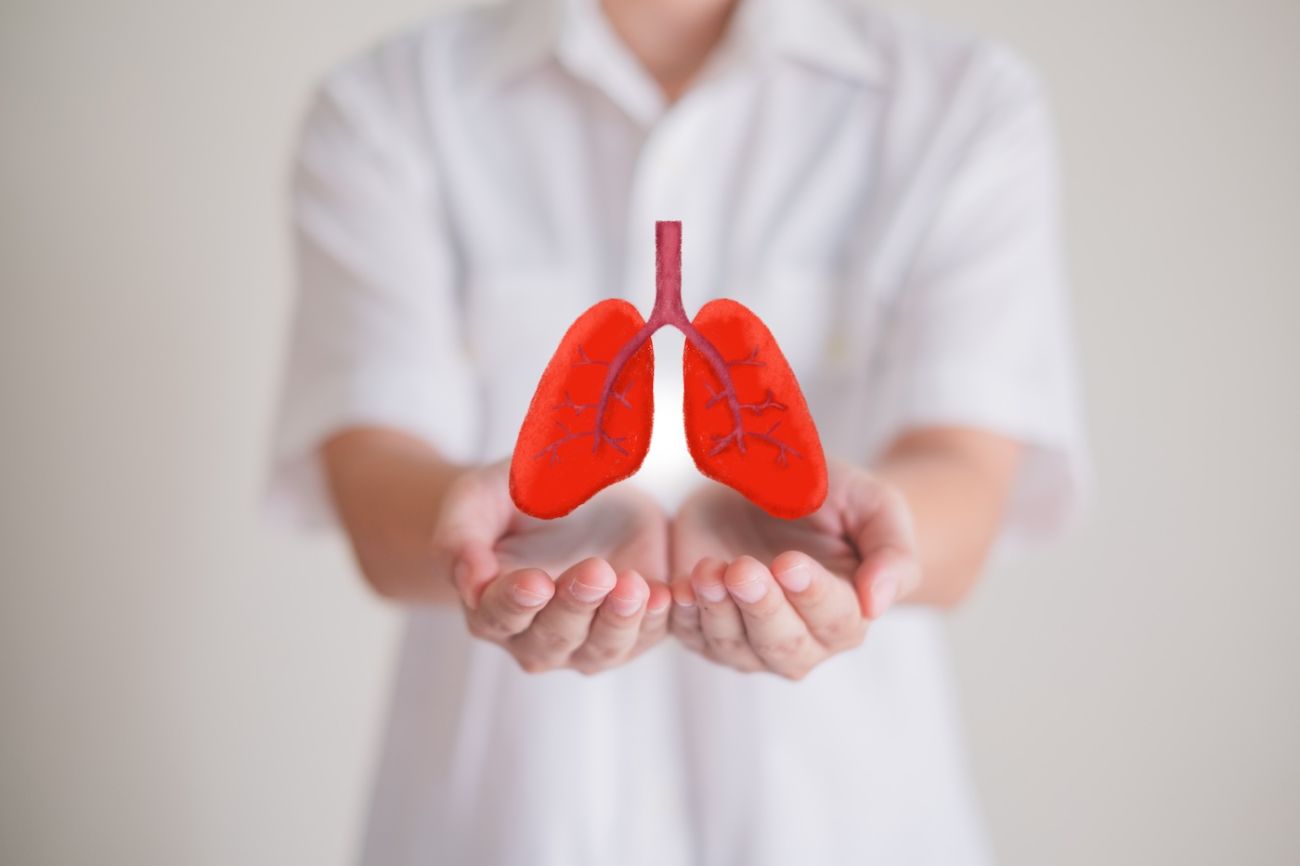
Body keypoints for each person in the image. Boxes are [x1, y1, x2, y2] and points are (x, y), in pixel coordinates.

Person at [268, 0, 1086, 862]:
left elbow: (965, 478)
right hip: (504, 828)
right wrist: (501, 520)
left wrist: (858, 535)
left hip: (841, 825)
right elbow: (373, 480)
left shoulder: (959, 102)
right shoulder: (389, 106)